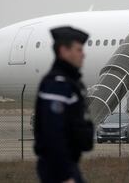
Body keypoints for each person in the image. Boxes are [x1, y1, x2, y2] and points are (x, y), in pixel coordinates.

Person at [34, 26, 94, 183]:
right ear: (64, 51)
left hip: (68, 163)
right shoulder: (57, 85)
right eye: (79, 50)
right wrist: (64, 175)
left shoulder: (70, 82)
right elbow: (53, 133)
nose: (83, 54)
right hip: (58, 168)